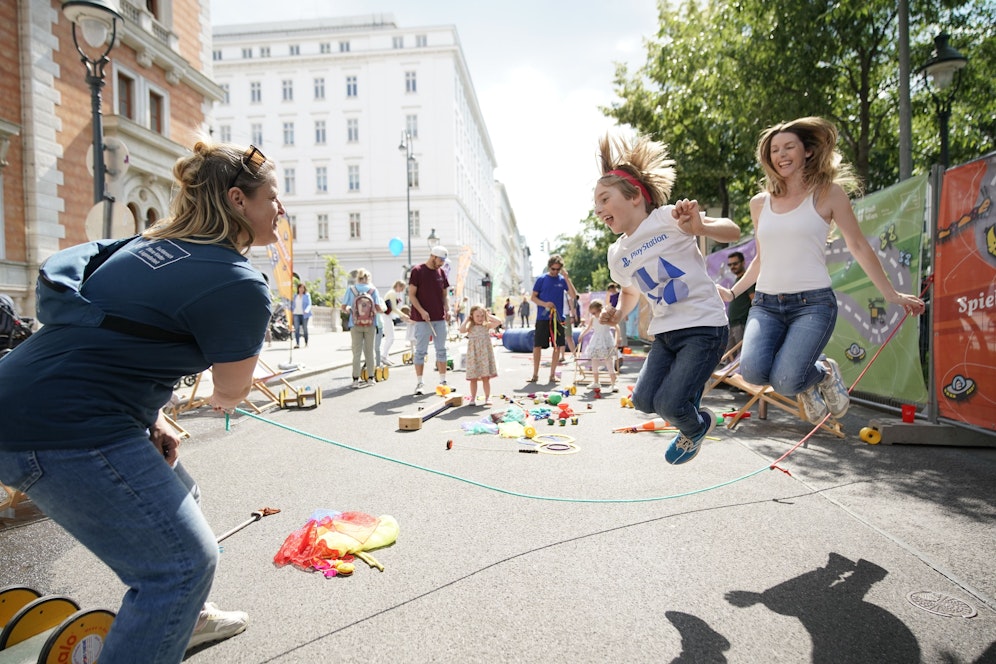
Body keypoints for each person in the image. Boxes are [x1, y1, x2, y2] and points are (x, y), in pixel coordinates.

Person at [0, 141, 282, 662]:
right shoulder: (238, 282)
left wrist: (151, 416)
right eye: (273, 198)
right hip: (63, 425)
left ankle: (184, 621)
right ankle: (174, 605)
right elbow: (230, 392)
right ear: (239, 201)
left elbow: (117, 334)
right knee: (179, 567)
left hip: (27, 397)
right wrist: (222, 397)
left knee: (180, 491)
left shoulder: (151, 248)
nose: (280, 211)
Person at [719, 117, 925, 424]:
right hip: (766, 305)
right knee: (752, 371)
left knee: (787, 380)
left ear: (808, 152)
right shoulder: (759, 203)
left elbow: (858, 246)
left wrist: (891, 294)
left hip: (812, 304)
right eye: (775, 149)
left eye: (789, 147)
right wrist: (733, 292)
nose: (781, 154)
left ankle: (823, 372)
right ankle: (812, 379)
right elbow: (762, 260)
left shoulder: (829, 194)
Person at [595, 132, 740, 465]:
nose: (597, 208)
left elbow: (731, 230)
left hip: (704, 327)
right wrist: (617, 313)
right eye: (596, 202)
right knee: (644, 401)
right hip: (666, 334)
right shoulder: (617, 254)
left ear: (634, 197)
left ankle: (697, 424)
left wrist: (700, 227)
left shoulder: (667, 218)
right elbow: (631, 291)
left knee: (670, 405)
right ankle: (693, 417)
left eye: (604, 198)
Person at [409, 246, 451, 395]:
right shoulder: (417, 271)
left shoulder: (441, 272)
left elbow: (444, 295)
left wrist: (448, 309)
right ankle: (420, 383)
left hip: (439, 318)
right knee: (420, 351)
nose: (442, 263)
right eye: (440, 260)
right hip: (422, 320)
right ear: (433, 256)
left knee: (442, 350)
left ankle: (443, 381)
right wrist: (421, 311)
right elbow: (412, 295)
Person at [529, 255, 577, 384]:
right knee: (537, 345)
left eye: (558, 269)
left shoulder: (562, 280)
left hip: (558, 318)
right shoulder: (541, 279)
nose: (555, 271)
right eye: (553, 269)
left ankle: (552, 375)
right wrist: (545, 304)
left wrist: (567, 278)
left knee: (557, 346)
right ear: (549, 266)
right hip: (543, 318)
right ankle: (535, 374)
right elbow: (533, 298)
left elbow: (573, 295)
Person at [341, 268, 384, 388]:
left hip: (355, 324)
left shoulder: (351, 290)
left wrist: (351, 310)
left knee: (356, 353)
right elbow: (378, 308)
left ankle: (355, 379)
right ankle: (371, 378)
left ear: (357, 278)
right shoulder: (373, 290)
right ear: (368, 278)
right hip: (370, 324)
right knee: (370, 351)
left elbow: (343, 307)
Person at [459, 304, 502, 406]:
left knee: (485, 377)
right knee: (473, 378)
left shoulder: (486, 325)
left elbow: (499, 321)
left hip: (484, 355)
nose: (480, 318)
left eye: (482, 316)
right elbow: (461, 330)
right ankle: (473, 398)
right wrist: (466, 319)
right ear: (472, 316)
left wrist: (487, 315)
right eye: (477, 316)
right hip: (473, 355)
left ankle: (487, 397)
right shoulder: (470, 327)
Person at [577, 299, 617, 393]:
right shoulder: (593, 319)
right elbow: (588, 328)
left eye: (595, 312)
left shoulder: (606, 317)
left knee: (608, 361)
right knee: (594, 361)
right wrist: (582, 335)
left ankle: (613, 383)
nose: (594, 315)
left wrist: (618, 339)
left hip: (606, 340)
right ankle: (596, 381)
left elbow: (616, 326)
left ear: (600, 309)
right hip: (596, 340)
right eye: (592, 313)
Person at [724, 251, 754, 351]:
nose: (732, 266)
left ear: (743, 262)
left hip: (742, 324)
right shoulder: (738, 280)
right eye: (730, 264)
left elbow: (754, 301)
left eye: (735, 263)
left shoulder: (747, 280)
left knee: (740, 358)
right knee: (729, 359)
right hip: (732, 325)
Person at [606, 282, 625, 351]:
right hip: (613, 313)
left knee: (622, 329)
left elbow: (623, 303)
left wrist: (625, 314)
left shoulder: (619, 294)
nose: (610, 291)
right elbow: (610, 304)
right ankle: (616, 344)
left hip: (620, 312)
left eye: (611, 289)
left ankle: (623, 345)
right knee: (615, 329)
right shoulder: (611, 296)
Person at [291, 283, 311, 348]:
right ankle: (297, 343)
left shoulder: (307, 295)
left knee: (305, 329)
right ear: (298, 288)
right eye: (300, 288)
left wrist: (306, 310)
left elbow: (309, 304)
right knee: (296, 329)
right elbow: (292, 304)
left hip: (304, 314)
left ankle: (306, 342)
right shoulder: (295, 296)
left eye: (303, 288)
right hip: (296, 313)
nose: (301, 289)